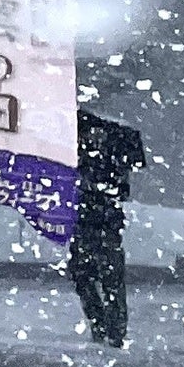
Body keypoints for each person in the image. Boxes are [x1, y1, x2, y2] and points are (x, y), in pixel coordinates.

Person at [70, 105, 148, 349]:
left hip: (97, 216)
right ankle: (107, 326)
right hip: (95, 216)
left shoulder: (111, 141)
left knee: (100, 274)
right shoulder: (114, 141)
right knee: (94, 274)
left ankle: (109, 327)